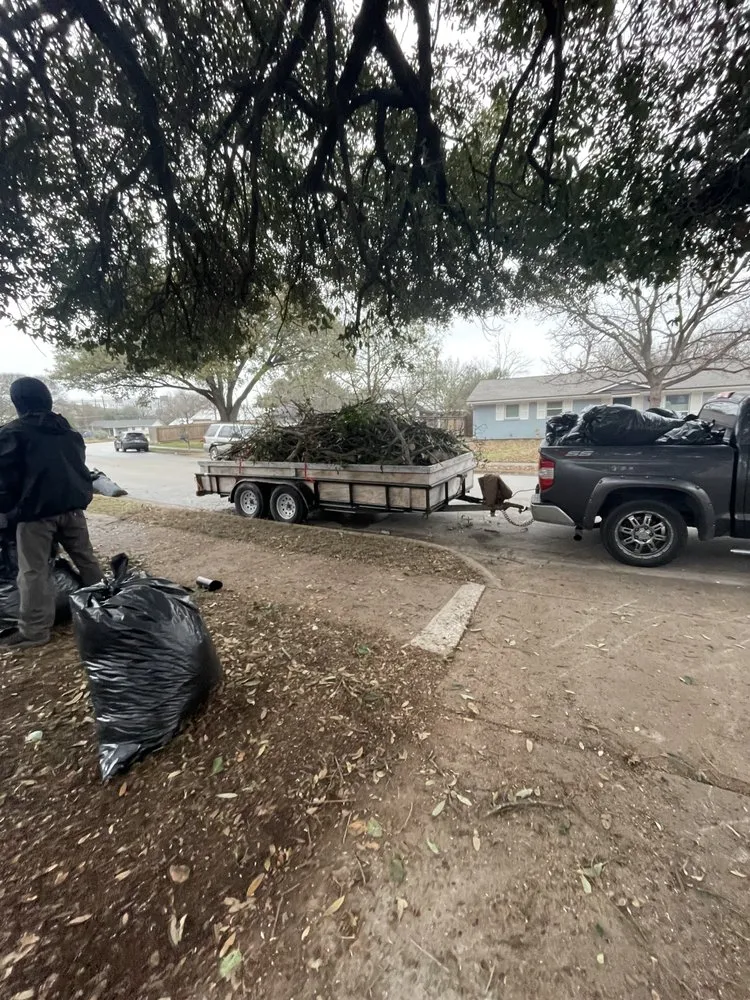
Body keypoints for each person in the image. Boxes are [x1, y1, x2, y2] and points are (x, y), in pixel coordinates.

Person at [0, 377, 102, 648]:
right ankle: (104, 609)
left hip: (34, 515)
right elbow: (78, 468)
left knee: (33, 571)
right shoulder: (69, 433)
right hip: (73, 509)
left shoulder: (12, 433)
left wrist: (7, 510)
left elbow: (4, 480)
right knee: (87, 560)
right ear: (47, 399)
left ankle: (35, 632)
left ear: (18, 402)